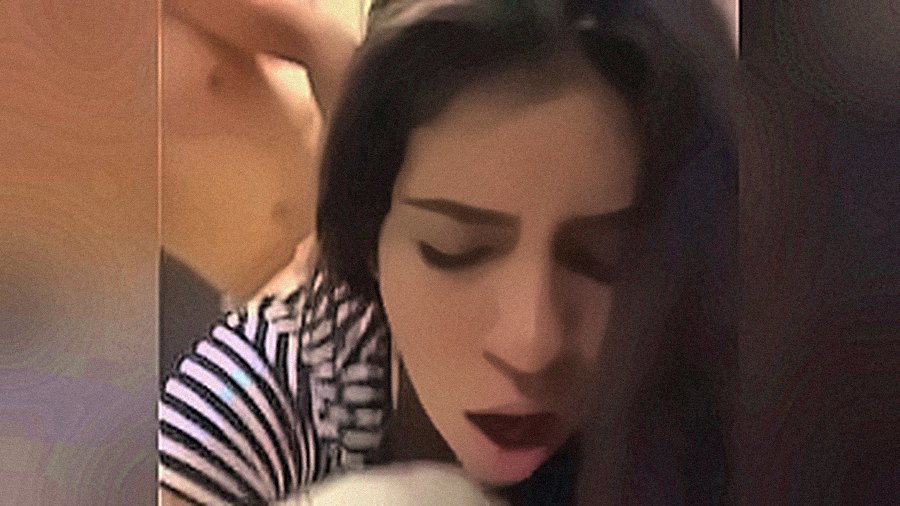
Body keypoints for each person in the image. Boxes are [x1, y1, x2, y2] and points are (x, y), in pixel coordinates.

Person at [159, 1, 734, 504]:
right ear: (370, 240)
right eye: (455, 250)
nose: (531, 345)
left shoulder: (719, 382)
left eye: (605, 258)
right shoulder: (265, 397)